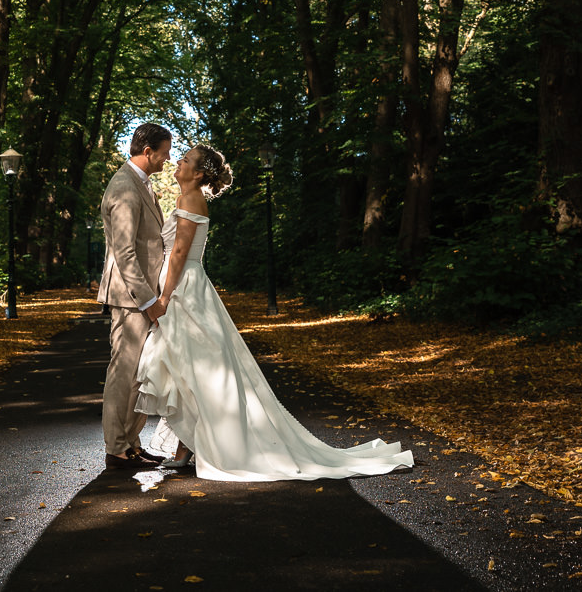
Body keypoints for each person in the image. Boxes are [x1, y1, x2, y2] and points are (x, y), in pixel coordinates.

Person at [135, 144, 413, 481]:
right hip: (180, 284)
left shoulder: (192, 200)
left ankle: (193, 447)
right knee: (187, 369)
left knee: (194, 369)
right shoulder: (183, 199)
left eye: (186, 159)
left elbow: (179, 253)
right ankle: (186, 447)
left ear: (198, 173)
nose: (178, 160)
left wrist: (164, 297)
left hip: (182, 289)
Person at [97, 122, 172, 470]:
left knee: (140, 373)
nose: (166, 161)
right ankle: (116, 449)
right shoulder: (125, 186)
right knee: (124, 372)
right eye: (164, 154)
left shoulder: (142, 185)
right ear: (148, 152)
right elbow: (125, 252)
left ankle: (131, 444)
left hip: (142, 296)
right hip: (130, 297)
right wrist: (148, 300)